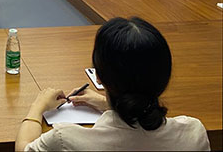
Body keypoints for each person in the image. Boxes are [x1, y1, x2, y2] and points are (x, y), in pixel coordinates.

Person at [15, 17, 210, 151]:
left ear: (98, 76)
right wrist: (107, 103)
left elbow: (24, 148)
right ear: (165, 76)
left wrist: (38, 106)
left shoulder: (64, 140)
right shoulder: (193, 133)